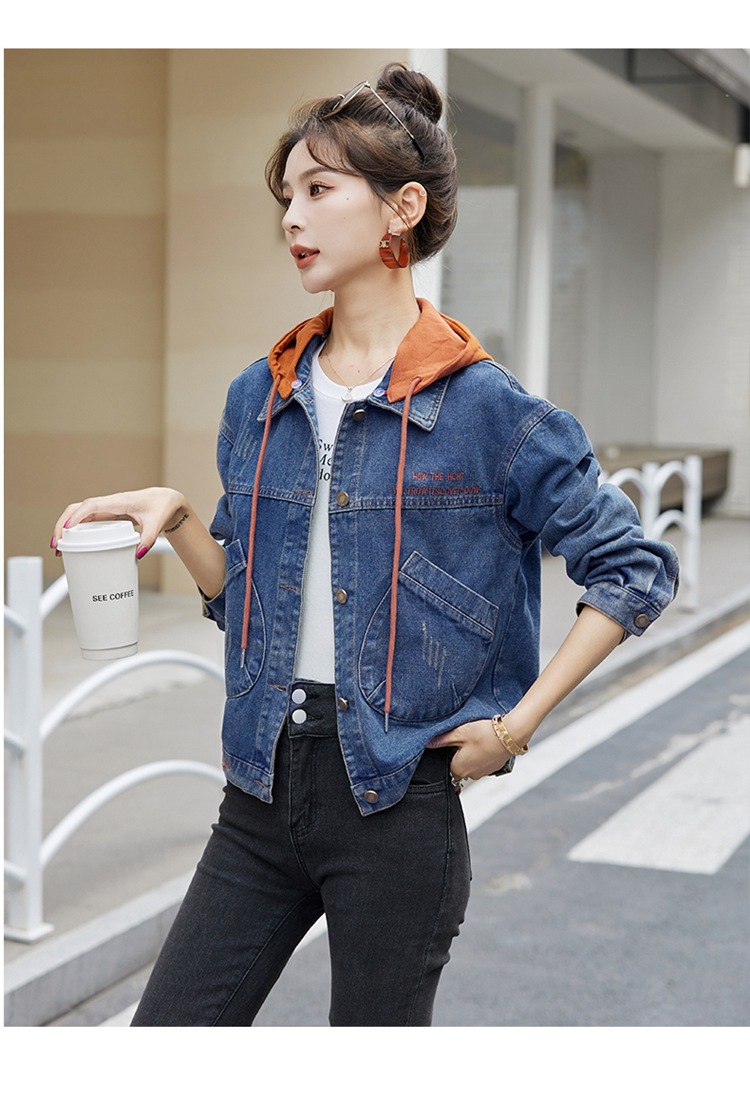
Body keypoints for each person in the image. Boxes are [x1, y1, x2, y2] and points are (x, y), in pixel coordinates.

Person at [52, 62, 679, 1027]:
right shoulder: (260, 397)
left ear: (402, 209)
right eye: (286, 196)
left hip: (397, 806)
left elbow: (632, 569)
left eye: (318, 190)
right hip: (261, 789)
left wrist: (515, 727)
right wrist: (177, 520)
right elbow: (245, 604)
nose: (291, 218)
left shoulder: (490, 413)